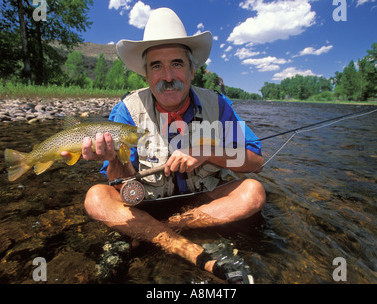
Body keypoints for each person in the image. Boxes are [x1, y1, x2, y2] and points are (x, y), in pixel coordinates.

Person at [64, 8, 266, 283]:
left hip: (202, 204)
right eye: (157, 66)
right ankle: (180, 241)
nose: (168, 75)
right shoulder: (127, 110)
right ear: (146, 74)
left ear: (192, 70)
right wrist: (114, 160)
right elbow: (119, 185)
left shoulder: (218, 105)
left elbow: (256, 161)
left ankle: (155, 233)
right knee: (96, 197)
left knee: (253, 192)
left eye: (177, 63)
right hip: (145, 204)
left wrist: (210, 153)